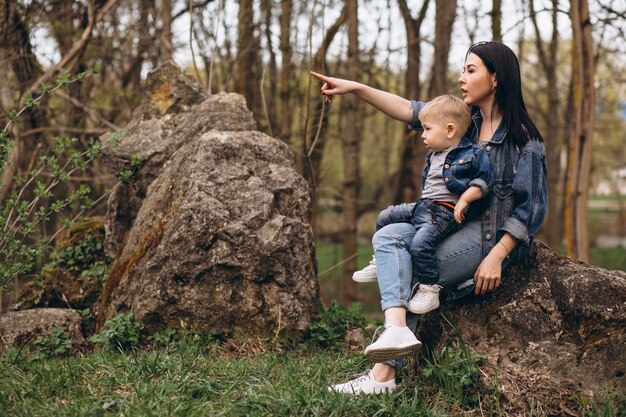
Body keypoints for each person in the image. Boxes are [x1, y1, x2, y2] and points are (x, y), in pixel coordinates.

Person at [310, 40, 548, 395]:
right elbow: (411, 110)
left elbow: (531, 211)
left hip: (487, 238)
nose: (461, 78)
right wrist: (356, 88)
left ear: (495, 79)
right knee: (387, 235)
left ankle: (382, 376)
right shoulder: (465, 123)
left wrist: (497, 256)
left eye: (470, 70)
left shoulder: (523, 140)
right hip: (448, 222)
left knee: (417, 260)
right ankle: (396, 330)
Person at [357, 95, 492, 327]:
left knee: (421, 244)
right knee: (385, 217)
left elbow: (482, 182)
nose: (422, 134)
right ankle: (380, 261)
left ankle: (430, 288)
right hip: (423, 206)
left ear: (450, 130)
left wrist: (464, 200)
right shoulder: (435, 154)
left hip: (443, 212)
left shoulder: (472, 154)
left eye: (427, 129)